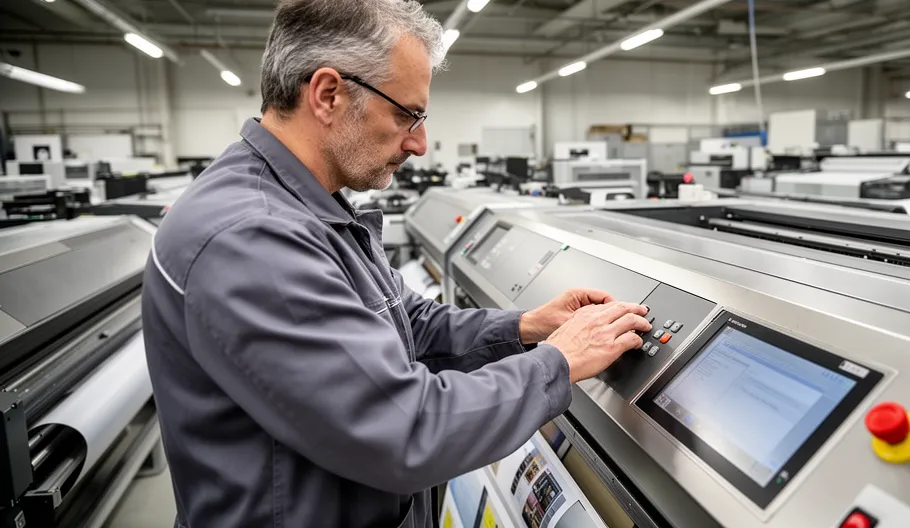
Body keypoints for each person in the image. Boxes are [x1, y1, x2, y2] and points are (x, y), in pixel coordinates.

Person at [141, 0, 650, 526]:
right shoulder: (252, 238)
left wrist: (526, 327)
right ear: (328, 95)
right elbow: (404, 429)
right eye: (408, 114)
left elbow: (406, 322)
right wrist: (559, 362)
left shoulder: (308, 203)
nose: (420, 143)